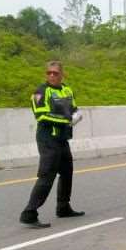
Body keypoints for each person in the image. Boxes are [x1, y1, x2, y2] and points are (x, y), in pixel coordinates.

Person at [19, 61, 84, 228]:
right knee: (47, 176)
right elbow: (42, 117)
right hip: (48, 139)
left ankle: (63, 207)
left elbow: (73, 108)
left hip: (62, 139)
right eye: (49, 73)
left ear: (62, 74)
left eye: (55, 73)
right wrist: (68, 121)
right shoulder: (40, 92)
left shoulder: (67, 90)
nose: (52, 76)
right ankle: (29, 213)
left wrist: (77, 114)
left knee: (67, 172)